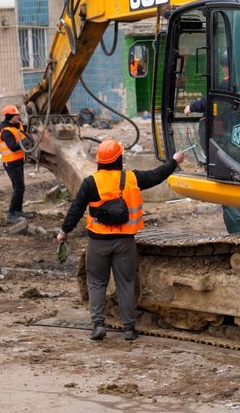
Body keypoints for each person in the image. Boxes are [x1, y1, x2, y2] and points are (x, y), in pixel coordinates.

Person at [56, 139, 185, 341]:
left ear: (99, 160)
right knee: (125, 283)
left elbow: (76, 209)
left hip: (98, 243)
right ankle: (129, 329)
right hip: (125, 243)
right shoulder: (132, 178)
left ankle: (98, 325)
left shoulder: (91, 182)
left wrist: (64, 231)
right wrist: (174, 161)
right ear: (119, 158)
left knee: (97, 282)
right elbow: (156, 176)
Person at [0, 105, 33, 224]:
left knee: (20, 188)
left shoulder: (17, 125)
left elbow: (27, 129)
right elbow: (13, 147)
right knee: (18, 188)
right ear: (9, 117)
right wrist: (25, 141)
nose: (19, 116)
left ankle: (18, 210)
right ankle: (11, 213)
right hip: (11, 163)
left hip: (18, 161)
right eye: (16, 115)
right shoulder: (6, 131)